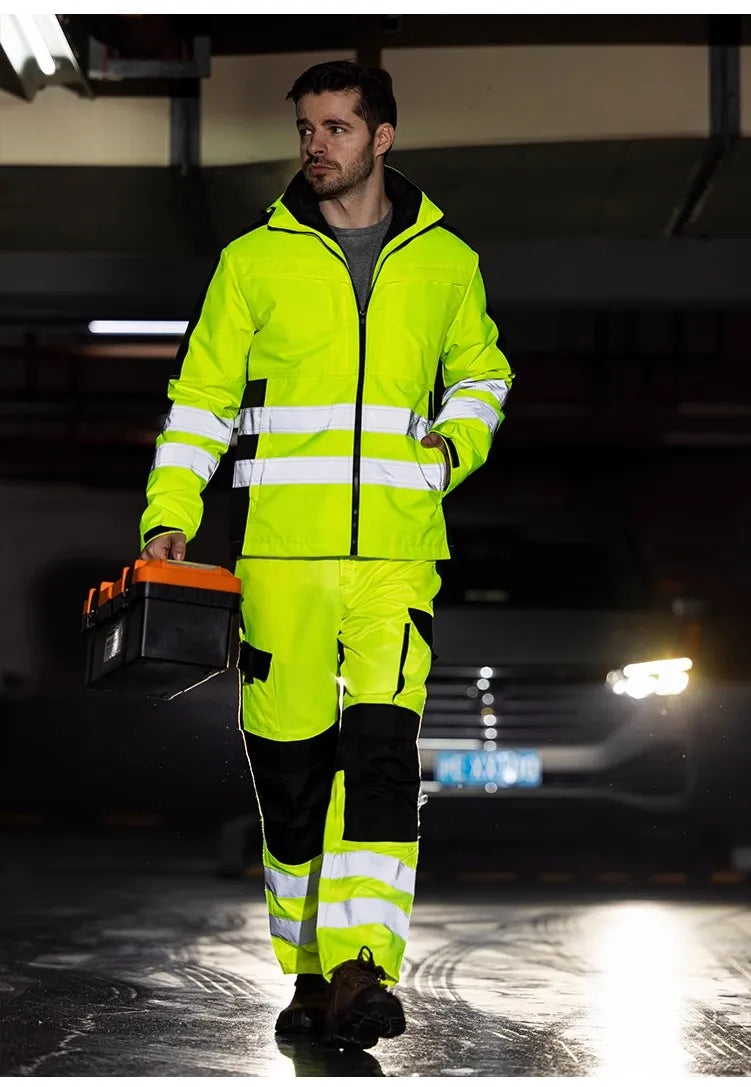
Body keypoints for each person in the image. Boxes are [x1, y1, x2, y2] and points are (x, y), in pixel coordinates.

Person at [139, 59, 513, 1050]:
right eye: (307, 127)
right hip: (279, 564)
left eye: (338, 127)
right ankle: (309, 969)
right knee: (294, 779)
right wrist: (169, 513)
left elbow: (481, 372)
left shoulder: (447, 263)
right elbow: (203, 401)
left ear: (381, 138)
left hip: (395, 557)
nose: (317, 145)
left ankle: (363, 967)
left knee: (382, 757)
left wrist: (449, 446)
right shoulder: (250, 263)